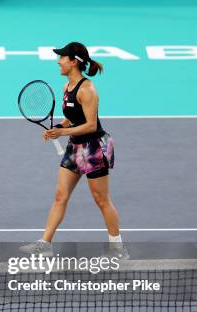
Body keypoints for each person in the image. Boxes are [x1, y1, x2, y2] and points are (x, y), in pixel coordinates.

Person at [20, 42, 127, 257]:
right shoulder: (66, 87)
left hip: (94, 148)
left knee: (101, 200)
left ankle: (118, 248)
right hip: (74, 147)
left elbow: (91, 125)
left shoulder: (87, 90)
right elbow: (71, 117)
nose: (58, 61)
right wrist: (58, 128)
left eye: (62, 58)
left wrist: (62, 133)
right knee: (60, 195)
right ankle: (45, 244)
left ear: (73, 62)